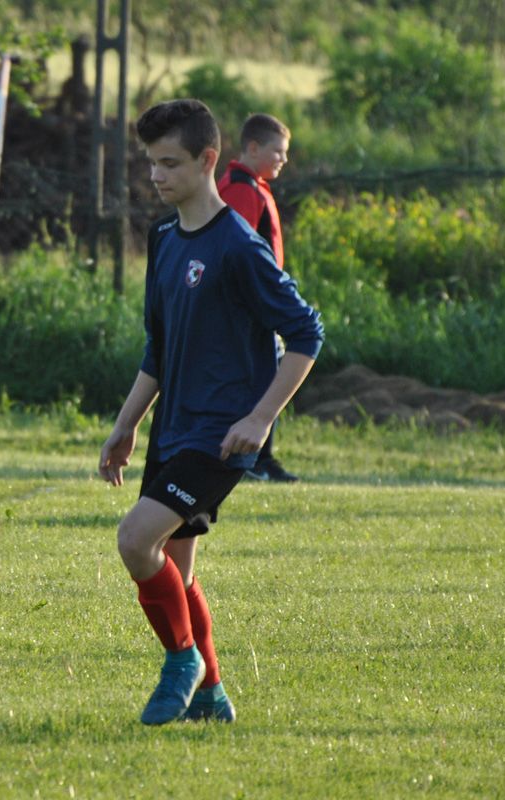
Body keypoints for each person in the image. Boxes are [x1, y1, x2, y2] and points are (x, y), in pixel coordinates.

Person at [98, 99, 323, 725]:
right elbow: (159, 348)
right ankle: (211, 696)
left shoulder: (238, 246)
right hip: (173, 430)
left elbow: (306, 334)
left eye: (170, 163)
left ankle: (182, 661)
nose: (156, 176)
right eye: (151, 163)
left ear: (207, 160)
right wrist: (126, 424)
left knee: (136, 539)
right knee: (177, 570)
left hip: (221, 437)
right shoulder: (164, 238)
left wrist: (260, 419)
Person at [217, 112, 300, 483]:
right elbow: (238, 253)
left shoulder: (253, 185)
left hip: (262, 301)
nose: (284, 159)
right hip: (253, 305)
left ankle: (260, 458)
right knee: (264, 378)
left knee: (268, 374)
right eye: (277, 151)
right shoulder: (240, 189)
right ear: (253, 148)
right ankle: (252, 459)